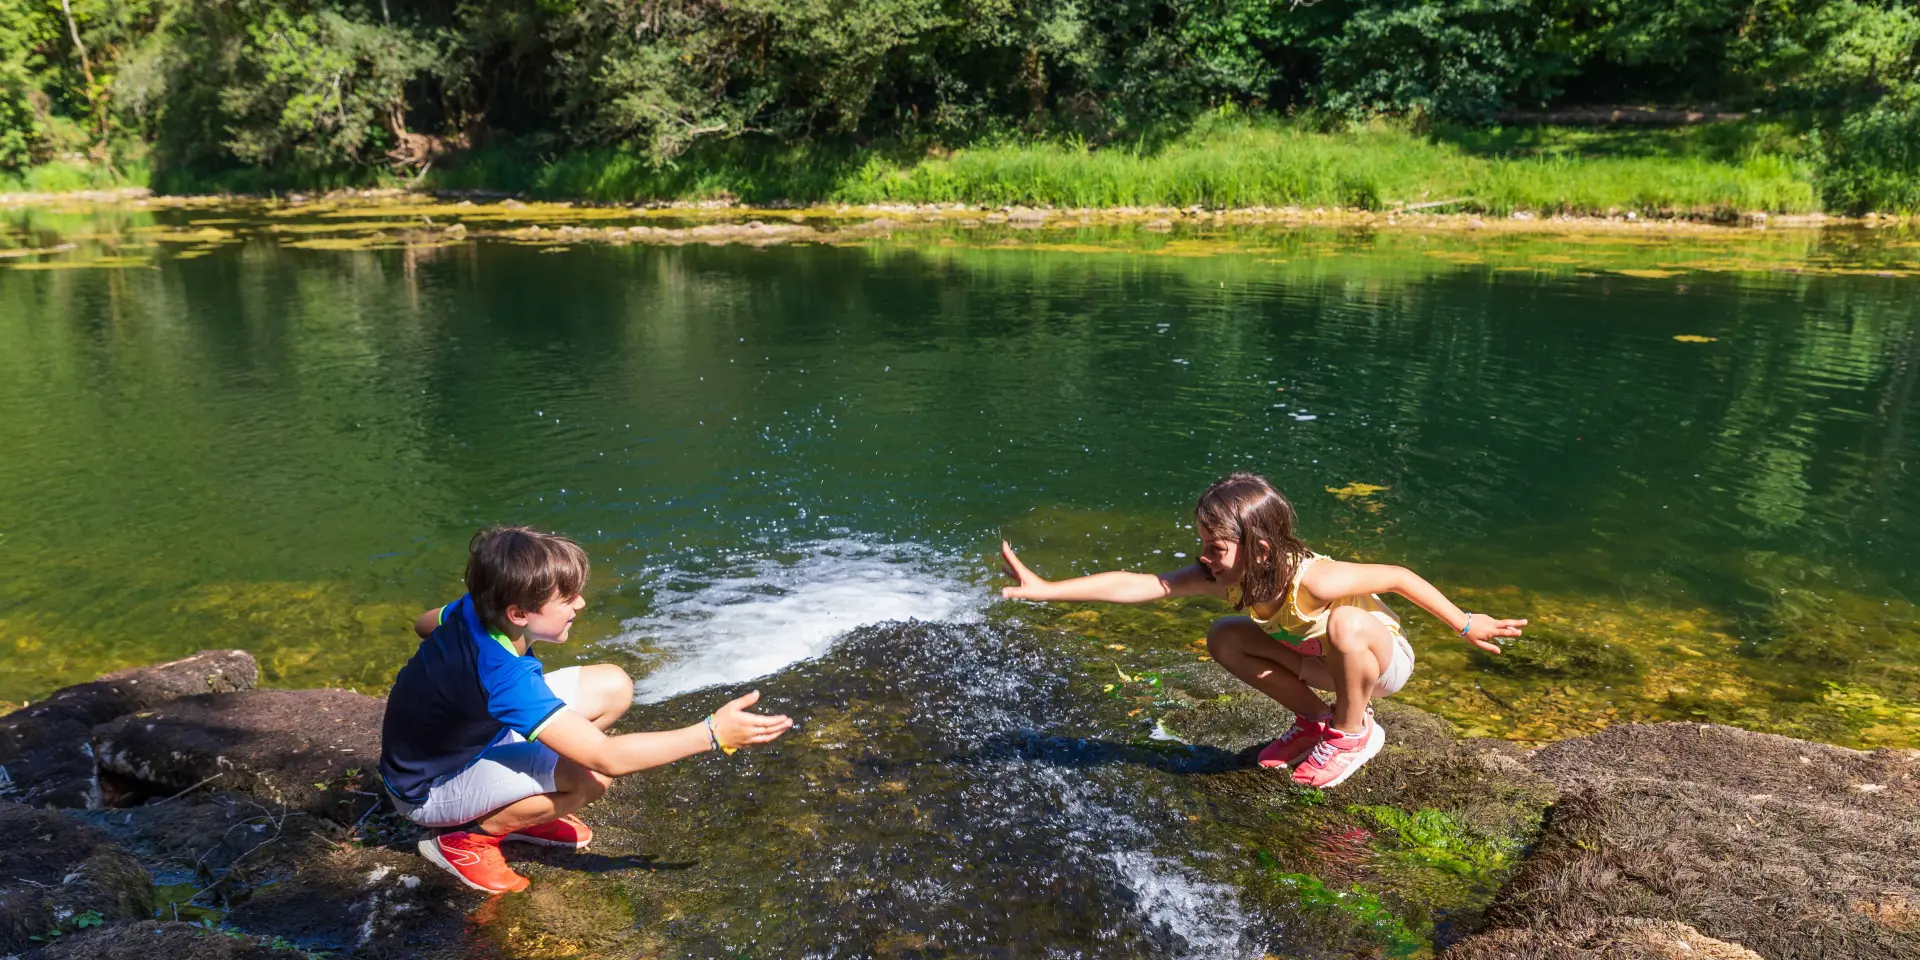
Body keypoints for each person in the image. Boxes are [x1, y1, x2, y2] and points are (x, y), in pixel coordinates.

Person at [998, 472, 1524, 789]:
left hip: (1378, 662)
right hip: (1319, 661)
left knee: (1344, 620)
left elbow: (1401, 577)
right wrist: (1044, 588)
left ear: (1261, 549)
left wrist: (1466, 623)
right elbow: (1140, 584)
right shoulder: (1228, 578)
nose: (1203, 557)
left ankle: (1354, 732)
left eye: (1215, 547)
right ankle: (1316, 721)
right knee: (1226, 635)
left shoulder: (1316, 577)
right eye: (1203, 542)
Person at [377, 525, 793, 893]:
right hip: (428, 789)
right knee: (590, 779)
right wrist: (712, 733)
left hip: (471, 737)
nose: (580, 605)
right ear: (518, 613)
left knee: (613, 686)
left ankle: (525, 802)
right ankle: (466, 839)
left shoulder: (475, 607)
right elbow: (607, 758)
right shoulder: (505, 677)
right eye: (567, 599)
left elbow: (423, 624)